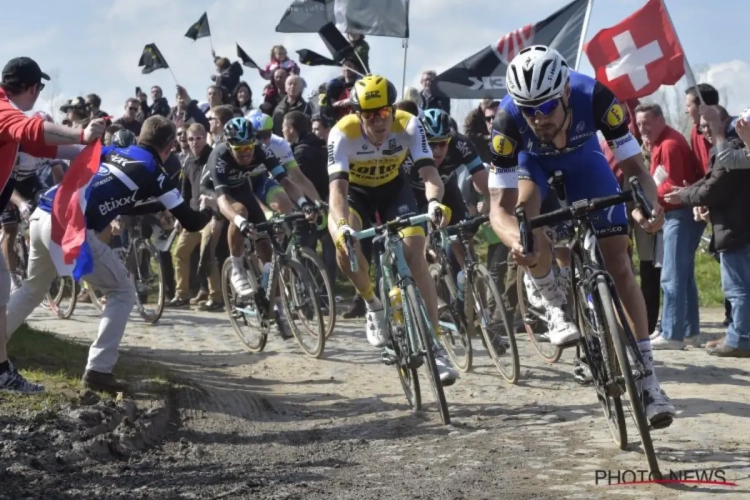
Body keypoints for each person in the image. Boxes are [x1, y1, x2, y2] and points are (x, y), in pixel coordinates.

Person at [487, 46, 674, 427]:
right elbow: (498, 209)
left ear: (566, 93)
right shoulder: (507, 124)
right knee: (527, 217)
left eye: (546, 108)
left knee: (619, 262)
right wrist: (516, 239)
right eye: (529, 110)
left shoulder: (598, 97)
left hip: (585, 162)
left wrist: (645, 205)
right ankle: (551, 298)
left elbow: (635, 168)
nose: (538, 119)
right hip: (532, 168)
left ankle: (650, 379)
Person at [6, 115, 215, 393]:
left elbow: (116, 199)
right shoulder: (155, 170)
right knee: (122, 291)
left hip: (44, 211)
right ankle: (99, 370)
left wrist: (152, 207)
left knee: (32, 289)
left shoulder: (115, 150)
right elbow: (190, 221)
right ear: (167, 148)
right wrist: (210, 209)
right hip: (69, 225)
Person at [326, 75, 459, 385]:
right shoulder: (341, 134)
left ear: (392, 109)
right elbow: (338, 193)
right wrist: (344, 226)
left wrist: (434, 203)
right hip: (355, 196)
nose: (378, 121)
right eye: (370, 115)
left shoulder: (409, 124)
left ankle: (435, 346)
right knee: (344, 245)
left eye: (384, 112)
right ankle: (373, 305)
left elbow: (429, 174)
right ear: (356, 114)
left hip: (393, 192)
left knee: (416, 257)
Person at [0, 56, 106, 393]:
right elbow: (29, 129)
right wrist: (82, 131)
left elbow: (37, 144)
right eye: (40, 88)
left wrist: (90, 147)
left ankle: (1, 371)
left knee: (1, 293)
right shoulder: (4, 110)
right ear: (31, 88)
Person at [246, 111, 322, 206]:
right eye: (259, 136)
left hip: (260, 179)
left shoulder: (280, 144)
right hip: (241, 182)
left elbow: (299, 177)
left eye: (267, 135)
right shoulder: (243, 147)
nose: (264, 140)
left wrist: (319, 203)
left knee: (285, 204)